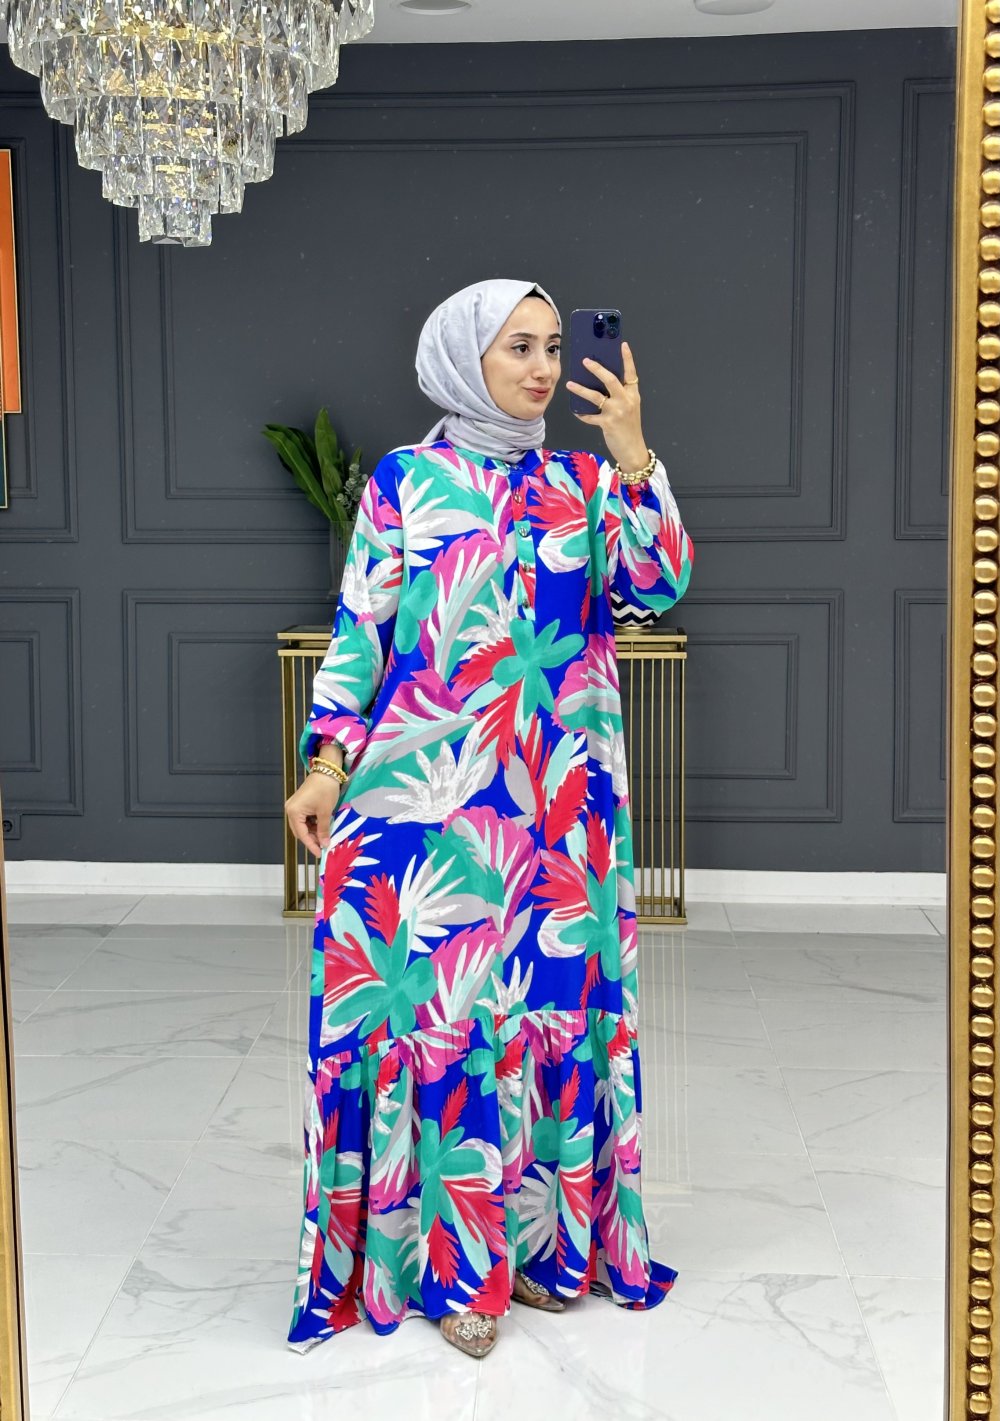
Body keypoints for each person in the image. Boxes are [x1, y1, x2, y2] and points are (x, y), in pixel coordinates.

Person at [283, 278, 694, 1359]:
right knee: (448, 1022)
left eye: (554, 346)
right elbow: (362, 631)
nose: (544, 367)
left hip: (559, 810)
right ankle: (458, 1271)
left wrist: (634, 453)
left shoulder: (585, 484)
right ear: (464, 358)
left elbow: (656, 587)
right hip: (426, 804)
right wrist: (324, 763)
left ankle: (551, 1249)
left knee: (551, 1013)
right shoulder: (405, 482)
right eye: (519, 346)